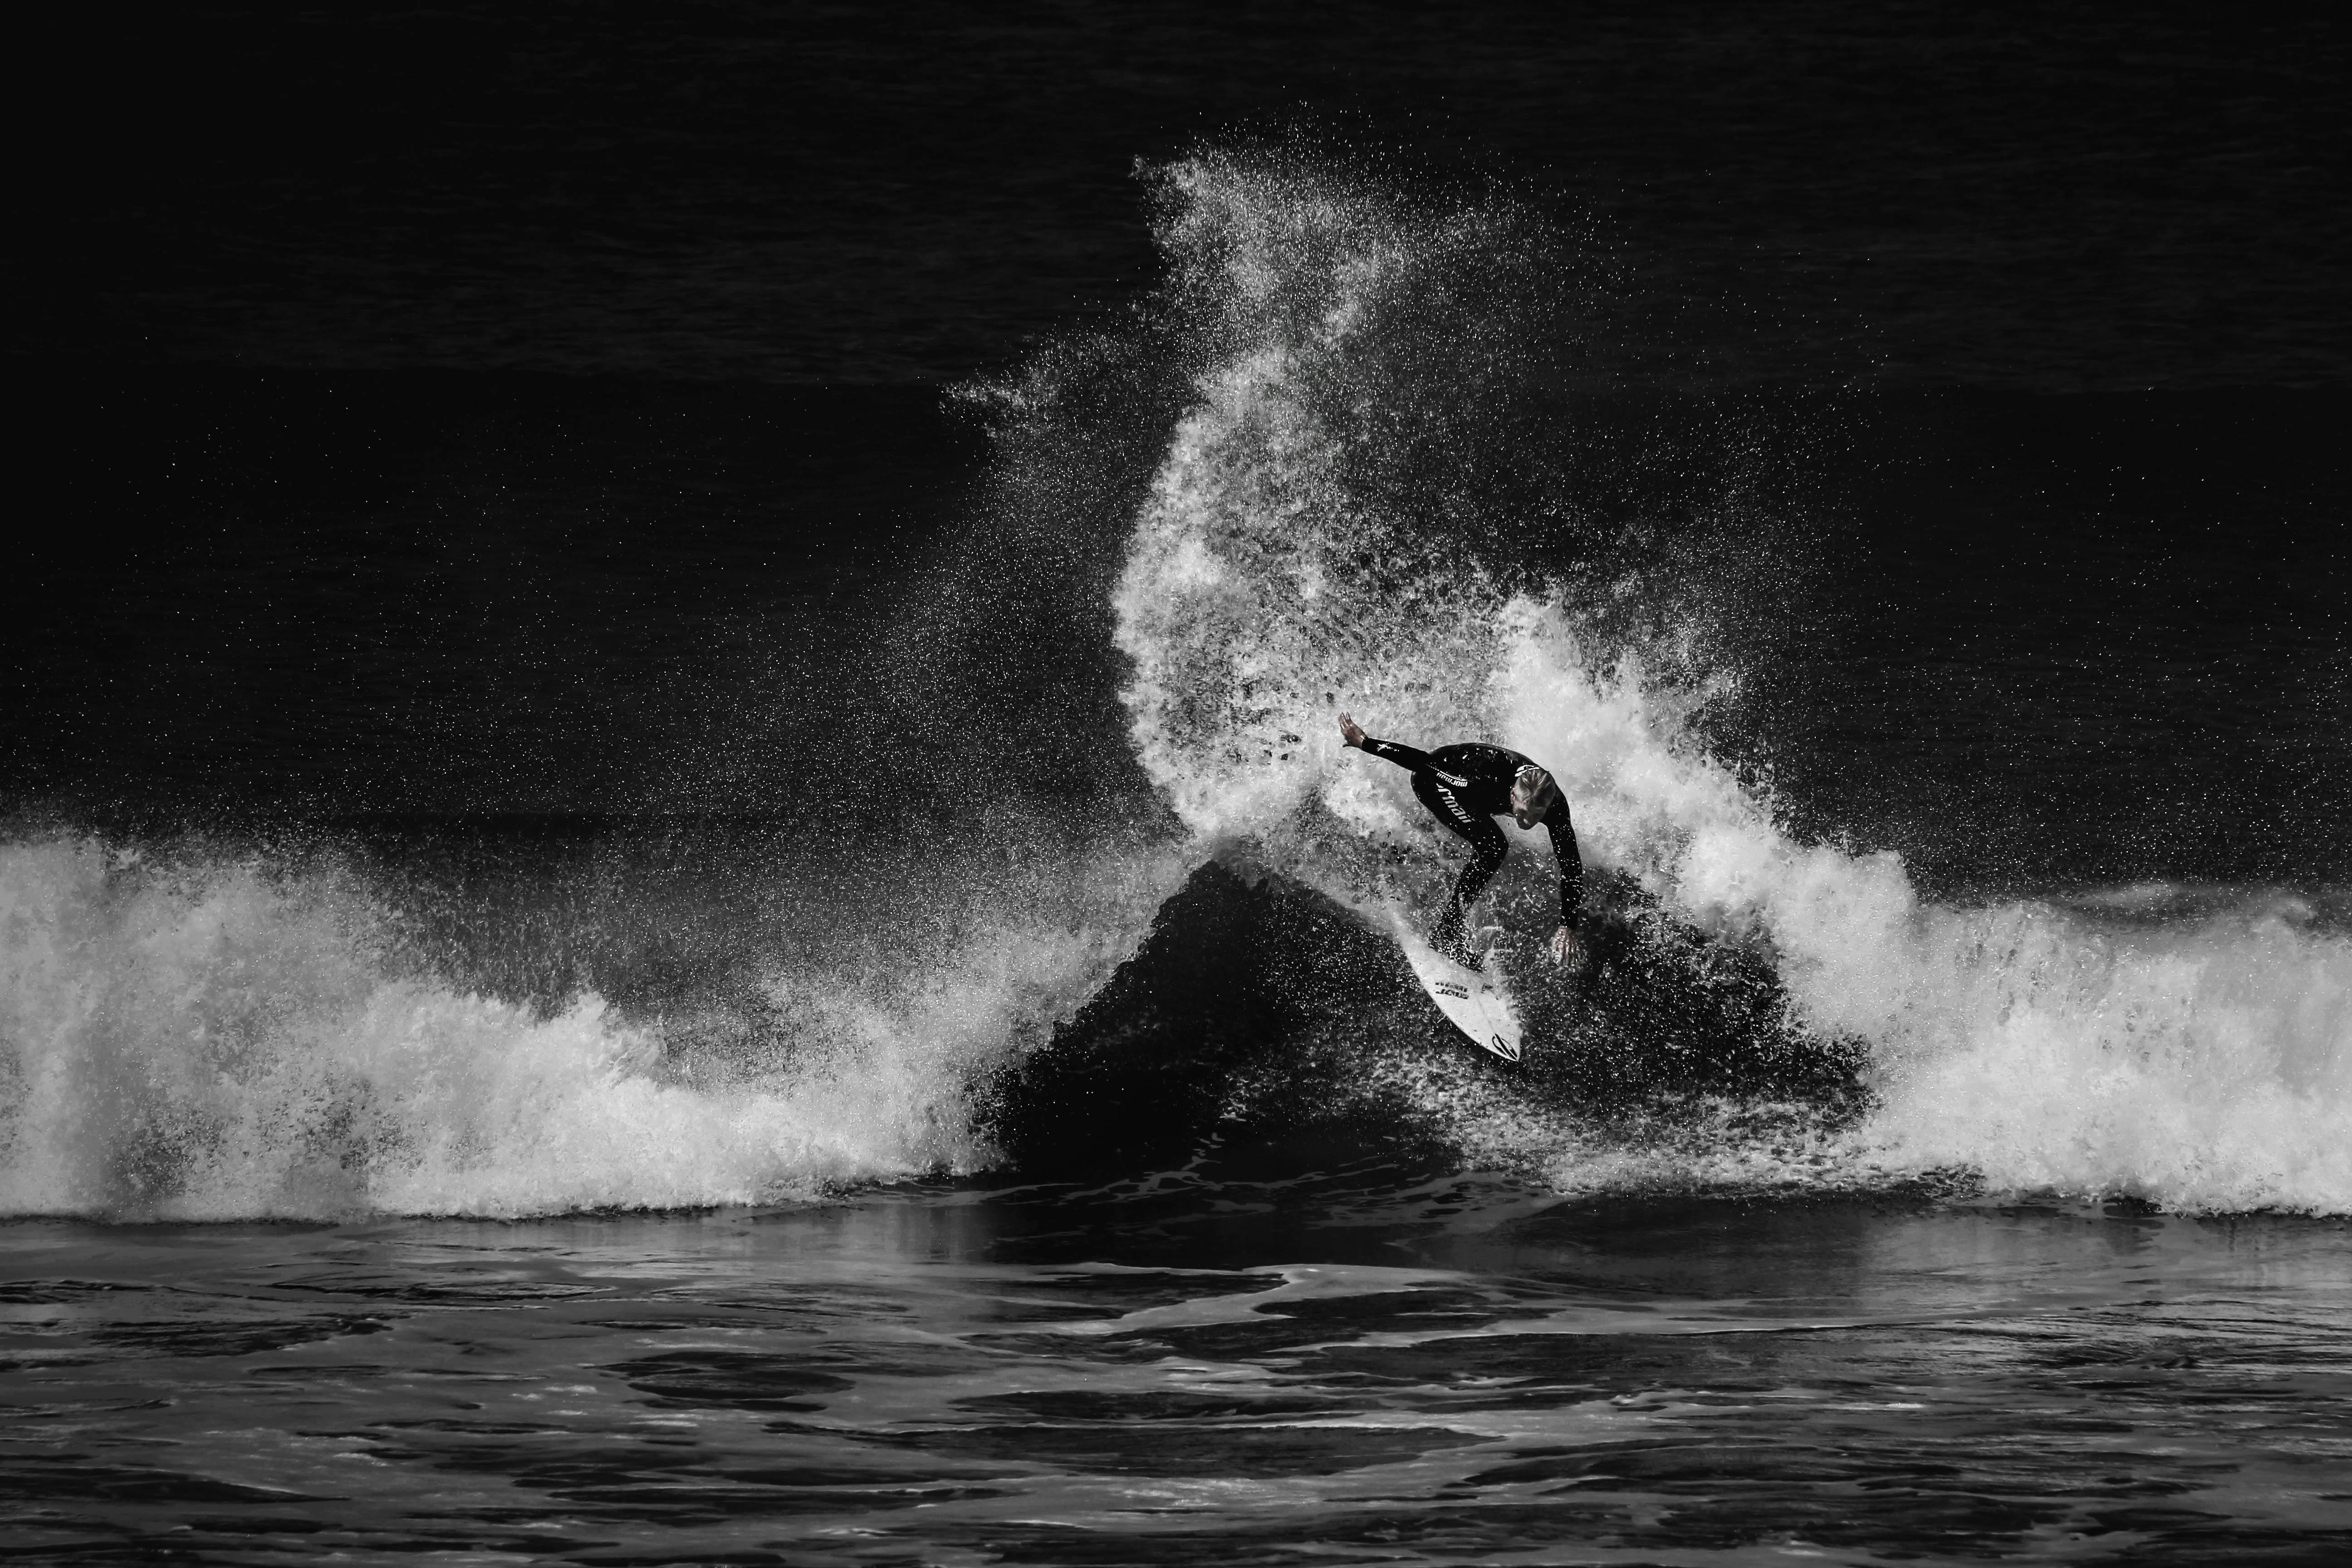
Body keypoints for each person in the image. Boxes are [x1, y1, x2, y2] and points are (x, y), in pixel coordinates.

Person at [1338, 712, 1583, 968]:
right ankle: (1447, 934)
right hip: (1433, 780)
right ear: (1512, 794)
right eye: (1522, 813)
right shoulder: (1482, 781)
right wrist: (1366, 743)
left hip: (1474, 793)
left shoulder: (1552, 803)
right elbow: (1423, 763)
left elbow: (1571, 866)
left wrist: (1568, 925)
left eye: (1536, 816)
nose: (1527, 822)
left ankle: (1414, 862)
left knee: (1493, 843)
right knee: (1494, 847)